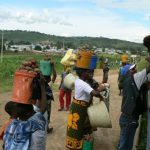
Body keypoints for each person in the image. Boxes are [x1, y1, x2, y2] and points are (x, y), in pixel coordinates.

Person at [3, 74, 47, 150]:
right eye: (17, 104)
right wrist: (42, 86)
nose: (18, 102)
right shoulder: (32, 123)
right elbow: (42, 108)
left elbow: (40, 107)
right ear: (15, 114)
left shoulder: (15, 122)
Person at [66, 67, 103, 150]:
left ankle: (76, 144)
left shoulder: (78, 81)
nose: (90, 73)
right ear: (83, 73)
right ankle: (76, 145)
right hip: (80, 108)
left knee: (77, 126)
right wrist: (102, 89)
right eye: (87, 72)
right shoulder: (83, 84)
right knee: (77, 126)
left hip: (77, 106)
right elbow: (95, 93)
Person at [118, 59, 150, 150]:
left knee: (122, 143)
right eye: (133, 69)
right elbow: (147, 70)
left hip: (125, 117)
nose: (135, 70)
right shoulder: (135, 78)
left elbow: (145, 85)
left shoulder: (127, 80)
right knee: (126, 146)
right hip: (130, 119)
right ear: (129, 71)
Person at [43, 55, 57, 133]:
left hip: (40, 101)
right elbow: (55, 75)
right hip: (47, 101)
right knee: (47, 113)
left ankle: (44, 127)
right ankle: (46, 127)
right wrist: (53, 66)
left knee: (41, 113)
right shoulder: (49, 82)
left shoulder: (40, 80)